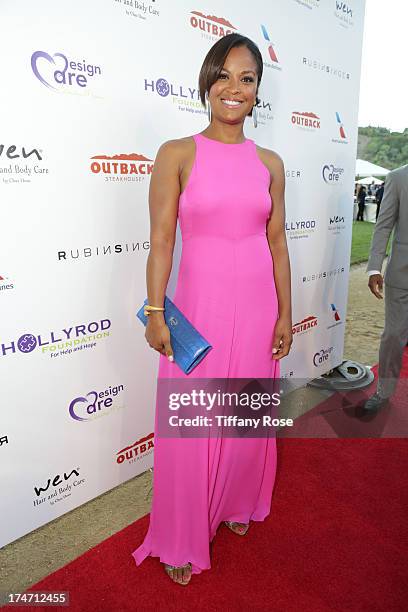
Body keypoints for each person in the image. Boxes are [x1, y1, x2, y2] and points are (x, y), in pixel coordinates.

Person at [131, 33, 292, 585]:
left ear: (257, 93)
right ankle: (180, 532)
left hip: (257, 307)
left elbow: (277, 244)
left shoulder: (270, 162)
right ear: (206, 81)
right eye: (224, 75)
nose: (234, 88)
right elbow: (160, 242)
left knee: (244, 416)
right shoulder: (177, 153)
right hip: (198, 308)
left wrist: (285, 314)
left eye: (246, 79)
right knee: (193, 424)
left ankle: (236, 502)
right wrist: (156, 311)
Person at [365, 164, 408, 411]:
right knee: (393, 335)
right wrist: (373, 267)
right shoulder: (398, 177)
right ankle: (384, 392)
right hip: (401, 273)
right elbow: (383, 225)